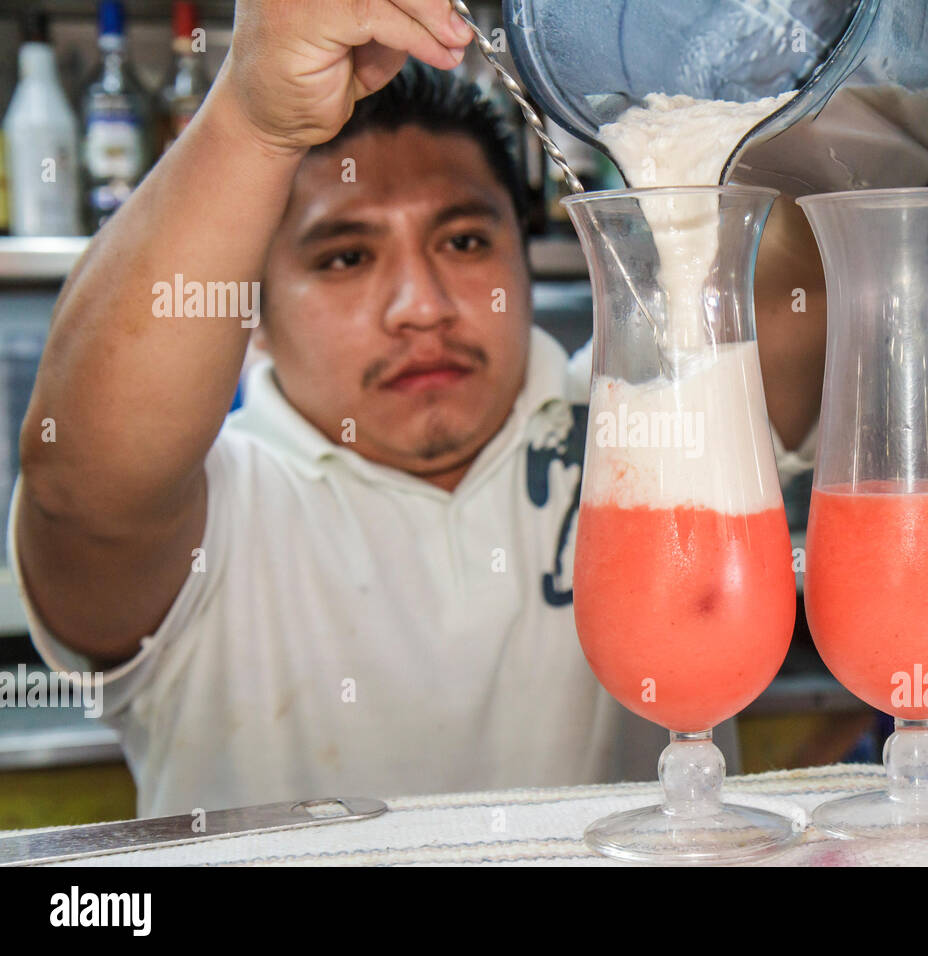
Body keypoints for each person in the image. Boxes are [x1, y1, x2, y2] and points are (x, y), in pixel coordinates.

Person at [9, 0, 825, 818]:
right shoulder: (219, 514)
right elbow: (80, 486)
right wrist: (251, 122)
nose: (421, 306)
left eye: (464, 242)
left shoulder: (640, 433)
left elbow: (807, 284)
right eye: (347, 256)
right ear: (246, 309)